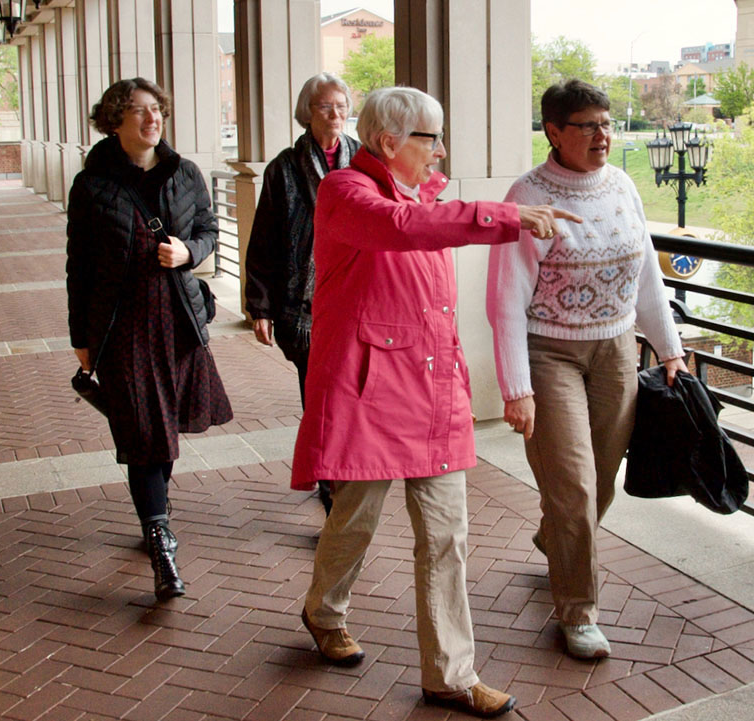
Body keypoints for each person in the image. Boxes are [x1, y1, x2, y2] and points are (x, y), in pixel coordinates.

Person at [292, 86, 579, 718]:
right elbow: (399, 230)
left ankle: (450, 675)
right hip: (371, 391)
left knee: (447, 536)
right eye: (431, 137)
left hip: (431, 389)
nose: (440, 150)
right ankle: (324, 611)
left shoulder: (425, 196)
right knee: (356, 519)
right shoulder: (345, 193)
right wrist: (502, 217)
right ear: (390, 142)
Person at [487, 79, 687, 659]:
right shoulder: (528, 194)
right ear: (553, 131)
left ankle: (555, 538)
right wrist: (516, 386)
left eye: (606, 123)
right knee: (572, 484)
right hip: (551, 354)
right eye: (588, 125)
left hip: (617, 349)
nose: (603, 135)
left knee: (599, 479)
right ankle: (578, 611)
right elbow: (505, 298)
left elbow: (646, 270)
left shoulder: (622, 183)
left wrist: (668, 348)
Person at [66, 78, 232, 601]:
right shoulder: (91, 185)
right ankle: (160, 537)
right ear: (114, 120)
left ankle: (152, 514)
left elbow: (208, 229)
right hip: (122, 328)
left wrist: (189, 252)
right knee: (143, 430)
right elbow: (79, 267)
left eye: (156, 109)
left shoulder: (185, 174)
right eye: (138, 111)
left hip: (178, 320)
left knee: (161, 430)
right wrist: (81, 337)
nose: (151, 119)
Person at [245, 72, 361, 516]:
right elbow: (264, 240)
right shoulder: (283, 168)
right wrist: (260, 305)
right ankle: (332, 484)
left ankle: (346, 473)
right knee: (320, 399)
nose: (335, 114)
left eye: (341, 105)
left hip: (356, 296)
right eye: (325, 106)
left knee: (351, 395)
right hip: (304, 306)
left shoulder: (364, 160)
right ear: (306, 113)